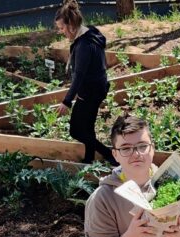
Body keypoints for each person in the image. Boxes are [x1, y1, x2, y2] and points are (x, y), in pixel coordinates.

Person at [54, 0, 116, 166]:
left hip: (90, 93)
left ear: (71, 25)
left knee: (76, 130)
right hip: (98, 88)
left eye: (62, 28)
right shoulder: (91, 33)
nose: (61, 32)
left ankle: (109, 154)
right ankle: (89, 159)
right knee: (88, 127)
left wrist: (67, 101)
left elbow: (79, 76)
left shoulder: (83, 45)